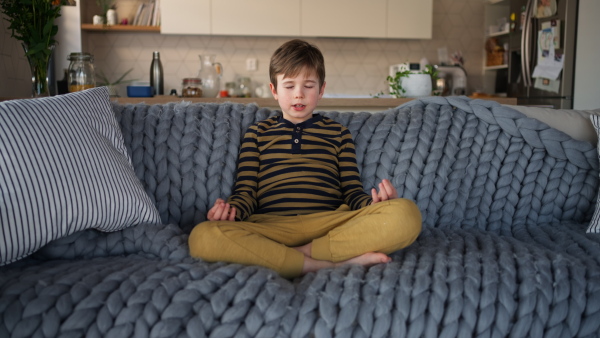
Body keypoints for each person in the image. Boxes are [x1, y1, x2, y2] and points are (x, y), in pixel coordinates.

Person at [189, 39, 422, 278]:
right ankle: (327, 264)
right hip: (271, 227)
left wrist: (373, 206)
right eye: (289, 86)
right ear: (274, 91)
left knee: (406, 214)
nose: (298, 94)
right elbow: (246, 193)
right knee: (203, 236)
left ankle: (294, 255)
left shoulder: (339, 134)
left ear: (321, 90)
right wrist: (231, 212)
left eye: (308, 86)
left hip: (329, 225)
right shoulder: (256, 135)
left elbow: (352, 192)